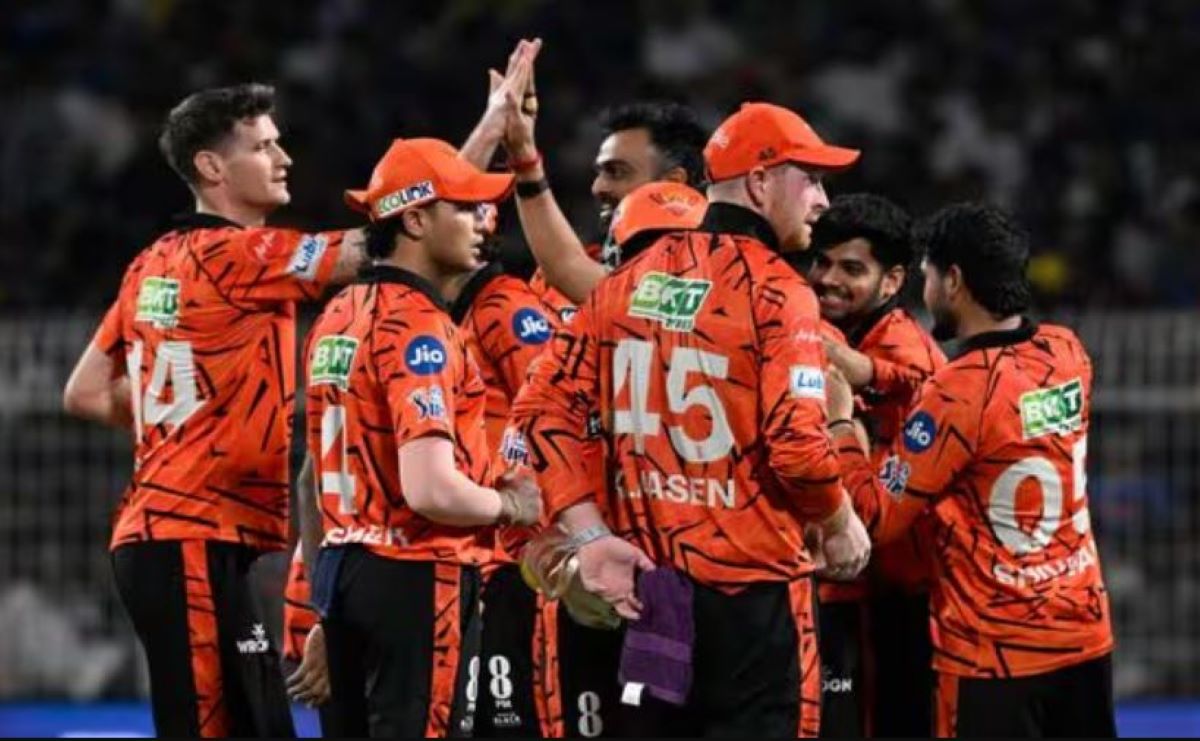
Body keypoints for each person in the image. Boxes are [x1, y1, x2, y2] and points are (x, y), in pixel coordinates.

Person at [509, 102, 871, 737]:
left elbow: (541, 411)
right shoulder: (778, 290)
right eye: (811, 179)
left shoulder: (628, 281)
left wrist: (590, 536)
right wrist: (839, 522)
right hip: (752, 599)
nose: (822, 200)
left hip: (653, 596)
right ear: (759, 182)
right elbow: (798, 450)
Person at [62, 82, 367, 738]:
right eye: (263, 146)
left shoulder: (150, 265)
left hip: (180, 536)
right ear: (211, 166)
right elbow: (384, 247)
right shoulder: (240, 254)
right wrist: (465, 159)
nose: (284, 157)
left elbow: (84, 392)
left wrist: (187, 424)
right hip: (187, 538)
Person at [827, 203, 1116, 738]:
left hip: (994, 653)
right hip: (1083, 635)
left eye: (928, 276)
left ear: (954, 281)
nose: (926, 291)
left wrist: (842, 421)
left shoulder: (958, 392)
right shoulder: (1067, 352)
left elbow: (874, 516)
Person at [298, 137, 543, 737]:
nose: (481, 223)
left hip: (340, 568)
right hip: (416, 573)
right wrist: (512, 505)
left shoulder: (337, 314)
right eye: (463, 208)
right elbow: (432, 490)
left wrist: (322, 608)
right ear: (414, 220)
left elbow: (309, 481)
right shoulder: (420, 326)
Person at [808, 194, 946, 737]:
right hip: (861, 584)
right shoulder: (834, 333)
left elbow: (929, 384)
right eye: (822, 262)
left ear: (892, 281)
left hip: (906, 594)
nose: (828, 280)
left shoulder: (902, 341)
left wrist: (861, 370)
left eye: (851, 269)